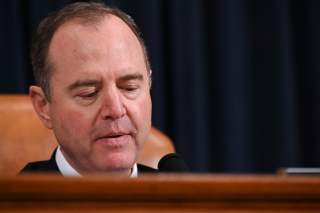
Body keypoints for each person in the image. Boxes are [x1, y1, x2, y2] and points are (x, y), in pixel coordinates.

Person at [21, 2, 154, 176]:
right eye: (89, 93)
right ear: (43, 106)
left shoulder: (184, 199)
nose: (115, 110)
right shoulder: (12, 202)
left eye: (130, 88)